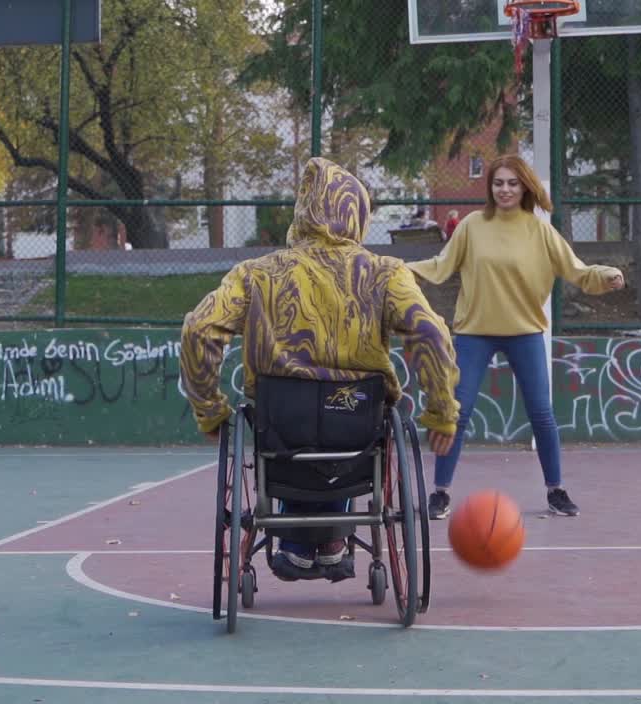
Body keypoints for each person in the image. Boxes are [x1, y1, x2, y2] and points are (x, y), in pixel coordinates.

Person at [180, 157, 460, 580]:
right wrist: (441, 411)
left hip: (281, 426)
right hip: (357, 426)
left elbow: (199, 328)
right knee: (356, 424)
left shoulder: (256, 274)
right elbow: (431, 335)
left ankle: (299, 544)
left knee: (296, 431)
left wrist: (210, 410)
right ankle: (330, 540)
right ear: (359, 214)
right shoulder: (385, 273)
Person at [406, 154, 626, 519]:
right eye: (498, 183)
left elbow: (577, 270)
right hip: (474, 333)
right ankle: (440, 493)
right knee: (456, 413)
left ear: (524, 186)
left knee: (542, 414)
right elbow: (439, 267)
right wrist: (397, 270)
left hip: (524, 333)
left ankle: (556, 491)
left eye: (512, 183)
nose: (505, 189)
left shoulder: (538, 229)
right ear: (490, 188)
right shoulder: (472, 226)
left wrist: (607, 275)